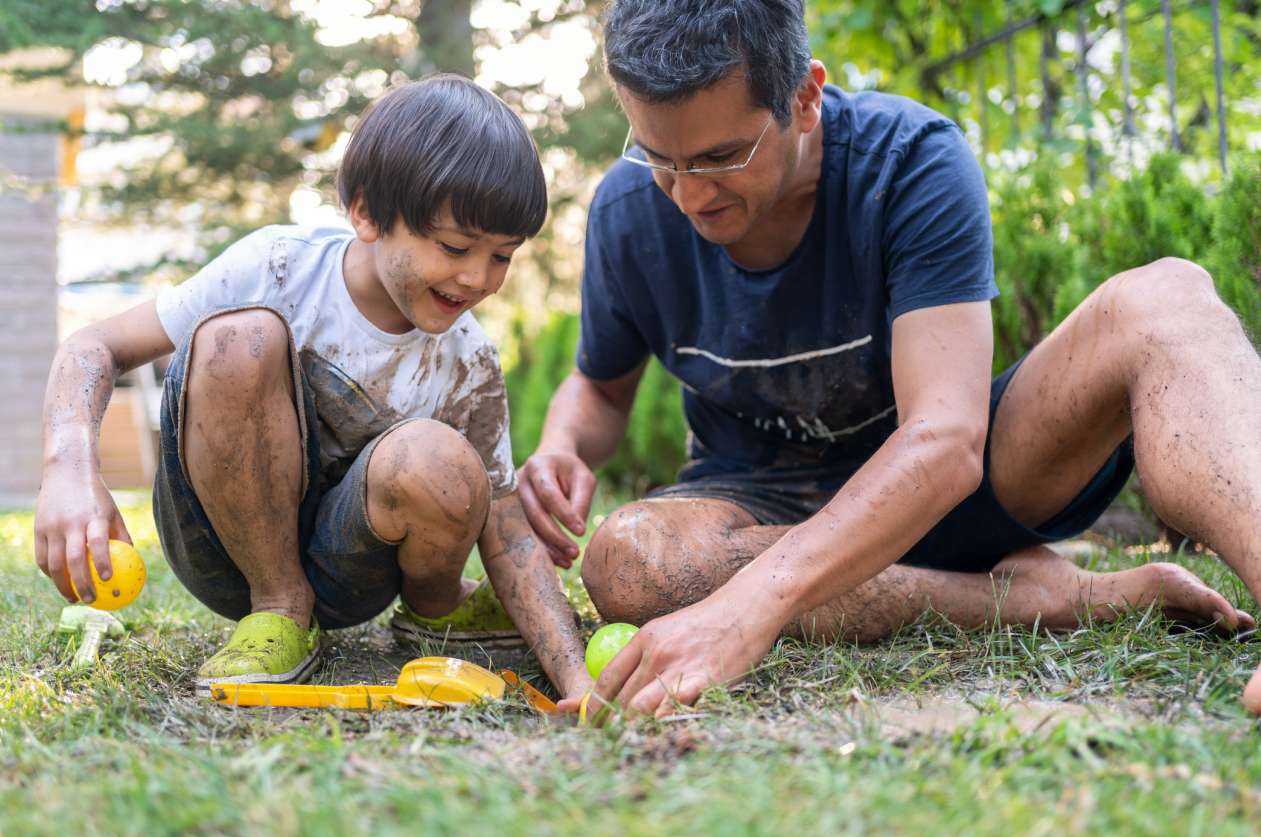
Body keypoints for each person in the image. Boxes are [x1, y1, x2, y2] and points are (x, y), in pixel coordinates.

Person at [518, 0, 1261, 718]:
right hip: (755, 505)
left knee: (1166, 297)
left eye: (719, 156)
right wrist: (561, 445)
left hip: (956, 491)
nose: (686, 194)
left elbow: (944, 441)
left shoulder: (909, 161)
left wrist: (753, 603)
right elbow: (600, 388)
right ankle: (1043, 599)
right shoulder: (623, 212)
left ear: (804, 97)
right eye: (658, 158)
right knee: (626, 557)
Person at [34, 76, 592, 701]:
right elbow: (92, 347)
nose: (478, 278)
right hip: (223, 553)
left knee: (438, 453)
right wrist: (69, 470)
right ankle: (276, 605)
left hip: (356, 574)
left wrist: (576, 677)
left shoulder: (468, 357)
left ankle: (434, 610)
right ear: (366, 214)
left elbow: (507, 524)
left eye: (502, 256)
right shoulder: (277, 266)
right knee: (239, 337)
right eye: (456, 246)